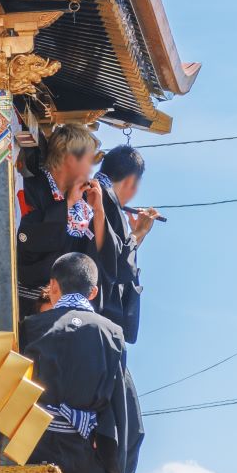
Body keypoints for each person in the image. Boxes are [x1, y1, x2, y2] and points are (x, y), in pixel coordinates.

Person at [18, 253, 143, 473]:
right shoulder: (113, 333)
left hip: (31, 449)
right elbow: (119, 402)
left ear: (53, 286)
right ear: (94, 292)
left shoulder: (30, 326)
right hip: (83, 460)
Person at [18, 125, 105, 313]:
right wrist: (68, 203)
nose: (90, 170)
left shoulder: (84, 204)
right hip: (30, 301)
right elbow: (26, 240)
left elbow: (94, 259)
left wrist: (98, 212)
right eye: (88, 161)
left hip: (65, 305)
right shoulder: (31, 187)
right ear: (69, 159)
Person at [95, 144, 158, 343]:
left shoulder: (95, 192)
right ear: (131, 180)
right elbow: (118, 266)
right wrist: (139, 232)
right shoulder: (105, 200)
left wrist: (133, 236)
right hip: (99, 316)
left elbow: (109, 254)